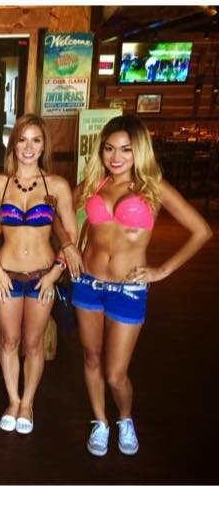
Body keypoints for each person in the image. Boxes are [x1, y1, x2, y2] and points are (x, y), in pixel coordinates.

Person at [68, 115, 212, 457]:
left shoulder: (153, 188)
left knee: (115, 373)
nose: (115, 157)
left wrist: (162, 270)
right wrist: (68, 245)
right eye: (109, 149)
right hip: (87, 283)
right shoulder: (94, 184)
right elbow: (59, 209)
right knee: (91, 357)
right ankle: (101, 421)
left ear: (139, 151)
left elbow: (201, 231)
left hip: (128, 289)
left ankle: (125, 418)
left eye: (126, 150)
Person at [0, 113, 78, 434]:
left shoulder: (57, 185)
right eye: (22, 139)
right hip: (7, 274)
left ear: (44, 145)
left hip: (42, 276)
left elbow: (71, 238)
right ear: (13, 144)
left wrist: (55, 274)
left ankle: (27, 404)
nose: (28, 147)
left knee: (34, 344)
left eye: (36, 140)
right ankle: (12, 400)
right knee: (9, 341)